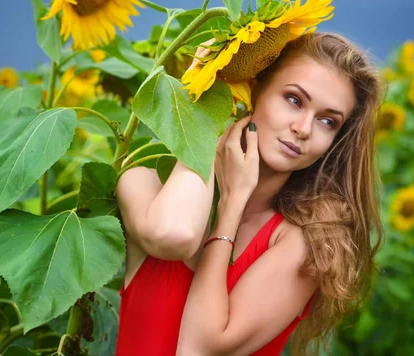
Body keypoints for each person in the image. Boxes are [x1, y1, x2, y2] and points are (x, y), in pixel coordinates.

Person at [115, 32, 384, 355]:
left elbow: (199, 348)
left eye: (327, 121)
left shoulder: (306, 244)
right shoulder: (144, 182)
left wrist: (230, 207)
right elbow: (176, 234)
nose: (304, 128)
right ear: (255, 89)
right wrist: (206, 105)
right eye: (294, 100)